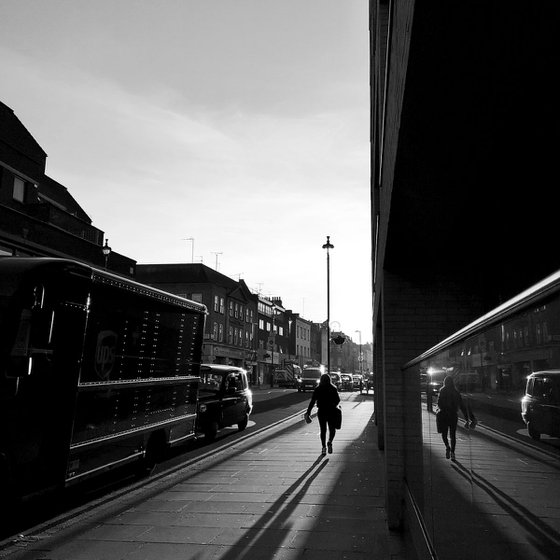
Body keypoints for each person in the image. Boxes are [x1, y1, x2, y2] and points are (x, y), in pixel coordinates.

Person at [437, 375, 476, 461]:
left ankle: (447, 447)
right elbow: (462, 406)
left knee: (444, 433)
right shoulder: (456, 393)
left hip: (444, 415)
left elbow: (439, 404)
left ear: (444, 382)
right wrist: (468, 418)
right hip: (453, 416)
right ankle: (453, 453)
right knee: (452, 435)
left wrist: (441, 408)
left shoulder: (442, 391)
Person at [305, 372, 341, 455]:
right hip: (331, 411)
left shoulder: (318, 389)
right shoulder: (333, 388)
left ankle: (324, 447)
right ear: (329, 380)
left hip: (321, 411)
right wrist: (333, 405)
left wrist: (308, 412)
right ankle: (330, 442)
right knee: (332, 429)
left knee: (323, 430)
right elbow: (338, 400)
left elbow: (312, 401)